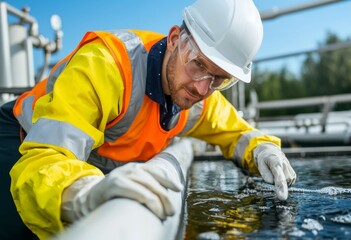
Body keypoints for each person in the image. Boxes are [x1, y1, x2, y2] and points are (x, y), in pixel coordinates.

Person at [0, 0, 296, 239]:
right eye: (199, 66)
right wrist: (82, 194)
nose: (202, 88)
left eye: (220, 79)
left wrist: (262, 151)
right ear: (175, 39)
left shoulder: (199, 100)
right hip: (22, 146)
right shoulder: (108, 66)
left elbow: (237, 133)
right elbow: (45, 159)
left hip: (85, 167)